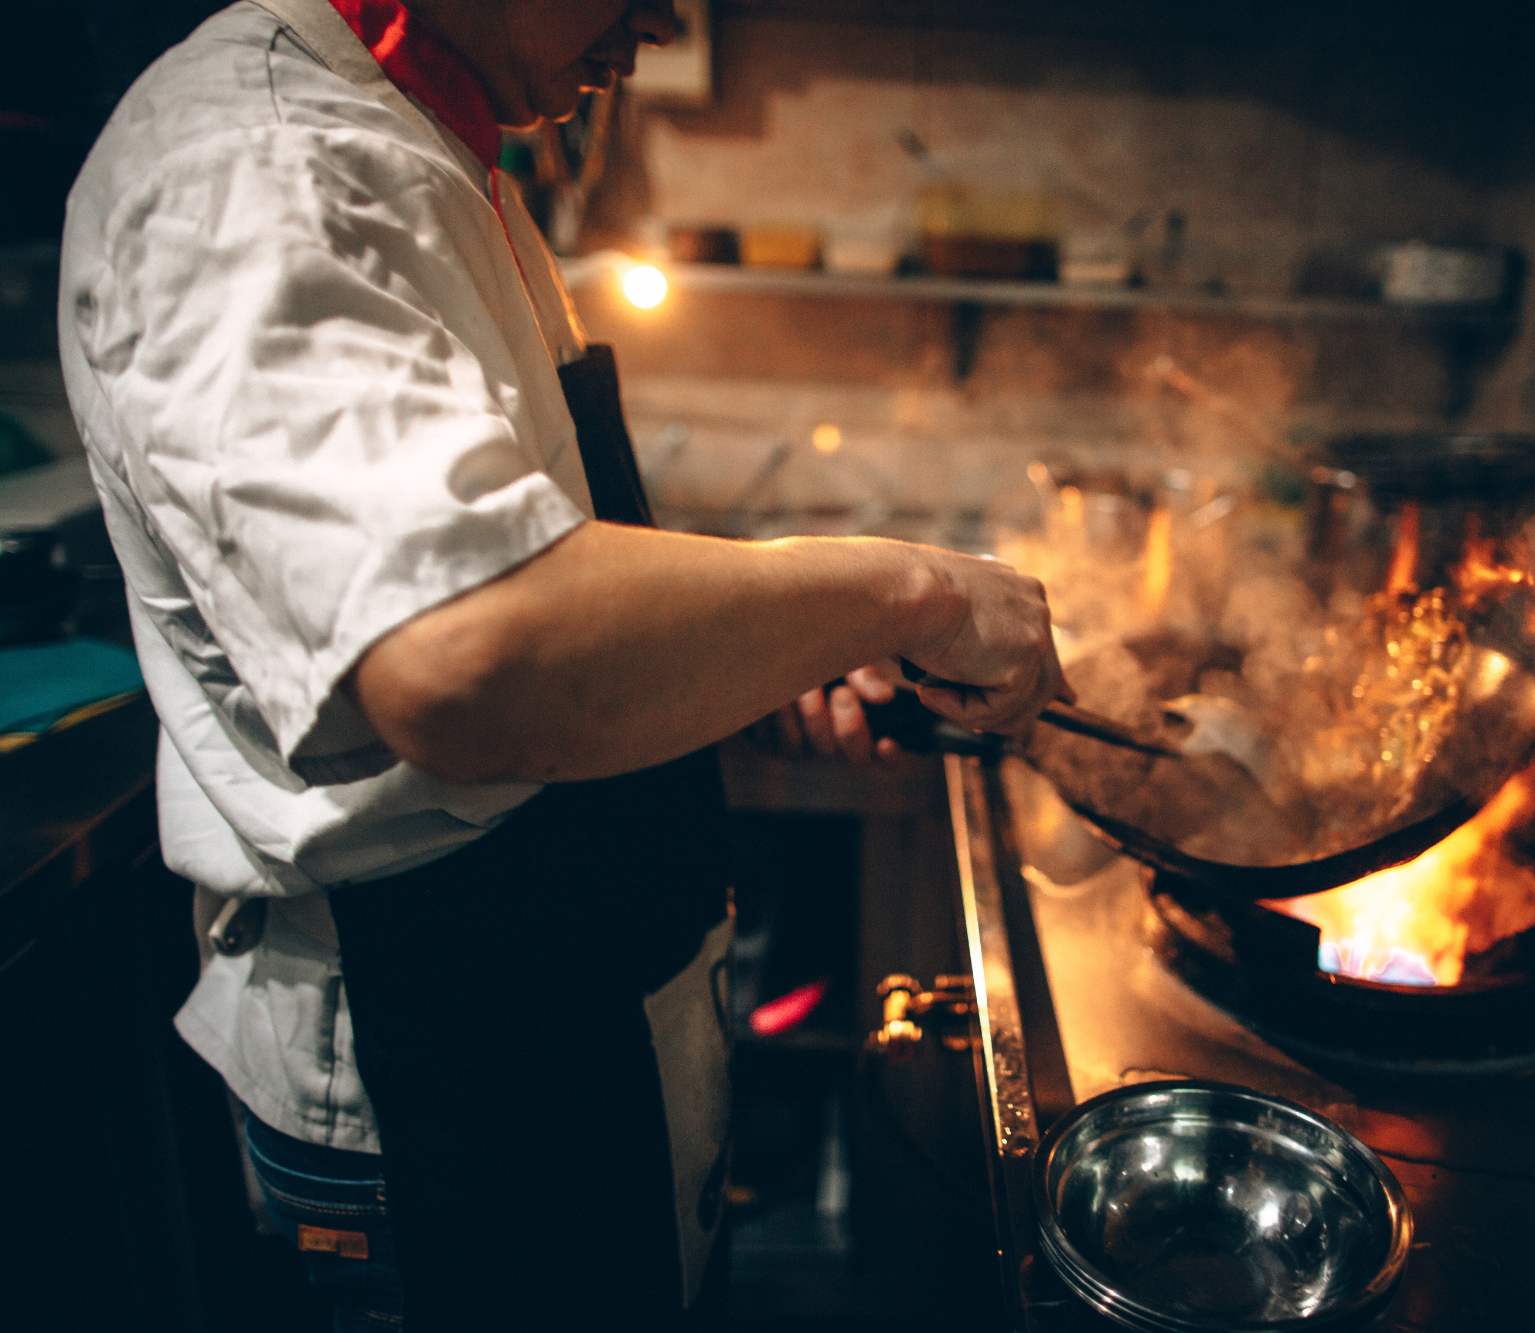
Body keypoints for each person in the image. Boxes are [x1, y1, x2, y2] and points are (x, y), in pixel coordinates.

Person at [57, 1, 1067, 1327]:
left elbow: (543, 599)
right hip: (436, 1080)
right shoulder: (261, 163)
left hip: (564, 1021)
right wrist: (907, 590)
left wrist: (750, 672)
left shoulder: (432, 148)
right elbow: (466, 653)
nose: (663, 19)